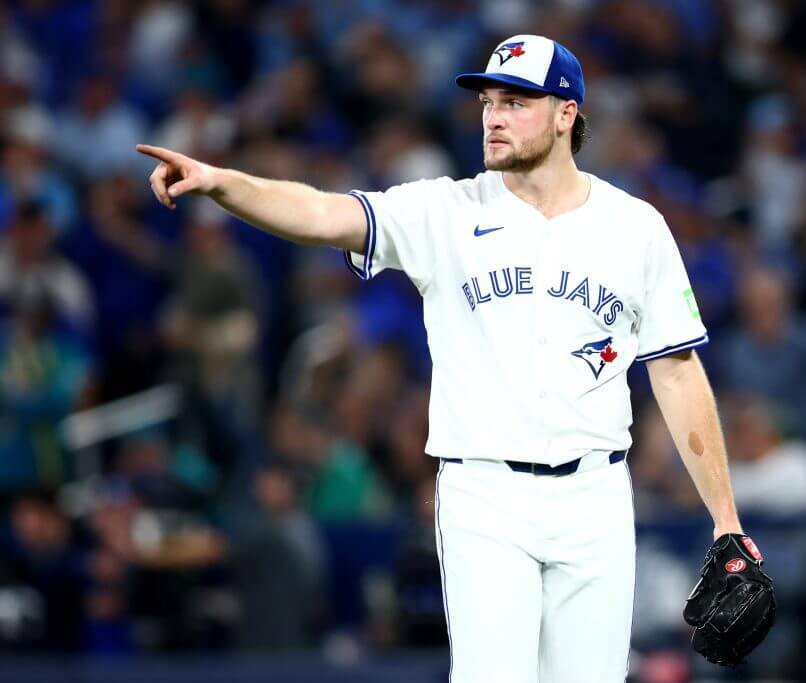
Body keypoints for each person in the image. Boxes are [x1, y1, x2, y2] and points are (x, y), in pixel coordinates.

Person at [137, 34, 753, 683]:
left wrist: (725, 517)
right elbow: (323, 213)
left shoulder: (635, 227)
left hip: (596, 494)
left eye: (516, 101)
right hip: (484, 493)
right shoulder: (446, 211)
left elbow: (678, 372)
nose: (493, 115)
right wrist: (221, 183)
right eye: (488, 100)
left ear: (566, 114)